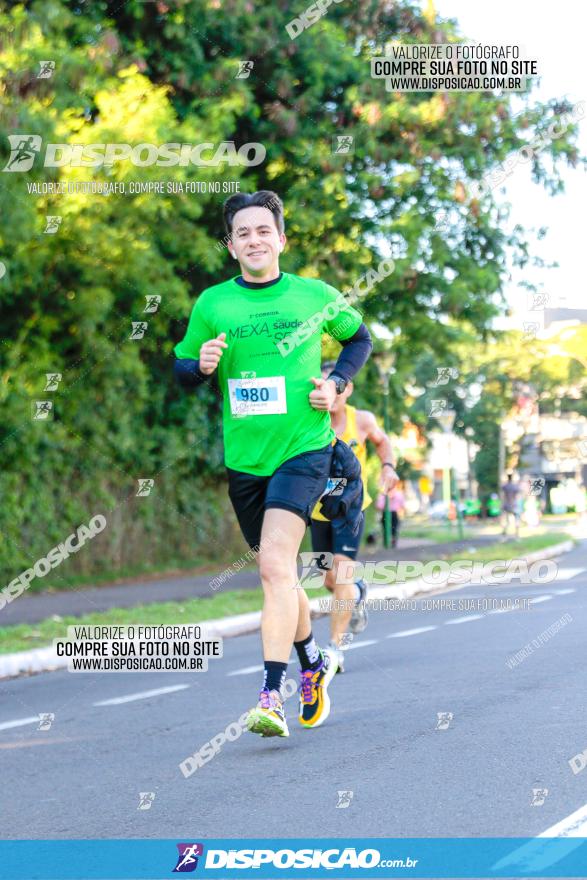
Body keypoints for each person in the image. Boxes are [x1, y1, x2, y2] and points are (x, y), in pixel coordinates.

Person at [173, 191, 372, 738]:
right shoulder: (213, 303)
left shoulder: (314, 295)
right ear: (231, 245)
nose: (254, 239)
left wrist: (335, 383)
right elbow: (182, 366)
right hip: (245, 458)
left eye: (264, 230)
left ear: (281, 239)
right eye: (243, 233)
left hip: (304, 450)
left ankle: (270, 695)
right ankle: (312, 666)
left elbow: (359, 337)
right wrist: (200, 365)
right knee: (281, 576)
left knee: (273, 568)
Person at [309, 362, 398, 672]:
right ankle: (359, 591)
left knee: (342, 572)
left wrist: (388, 467)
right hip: (317, 510)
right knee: (327, 579)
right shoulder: (309, 420)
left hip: (351, 509)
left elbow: (383, 442)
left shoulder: (361, 420)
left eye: (338, 385)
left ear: (348, 389)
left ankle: (335, 649)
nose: (332, 392)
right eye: (324, 384)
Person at [377, 481, 405, 548]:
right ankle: (386, 543)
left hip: (394, 513)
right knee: (386, 529)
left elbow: (402, 505)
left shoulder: (398, 494)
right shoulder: (383, 495)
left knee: (394, 529)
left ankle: (392, 543)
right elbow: (378, 506)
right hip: (386, 513)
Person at [501, 472, 521, 539]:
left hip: (506, 504)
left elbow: (503, 495)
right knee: (516, 519)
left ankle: (504, 533)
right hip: (514, 504)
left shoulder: (505, 486)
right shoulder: (515, 486)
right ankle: (517, 534)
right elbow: (517, 495)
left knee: (506, 520)